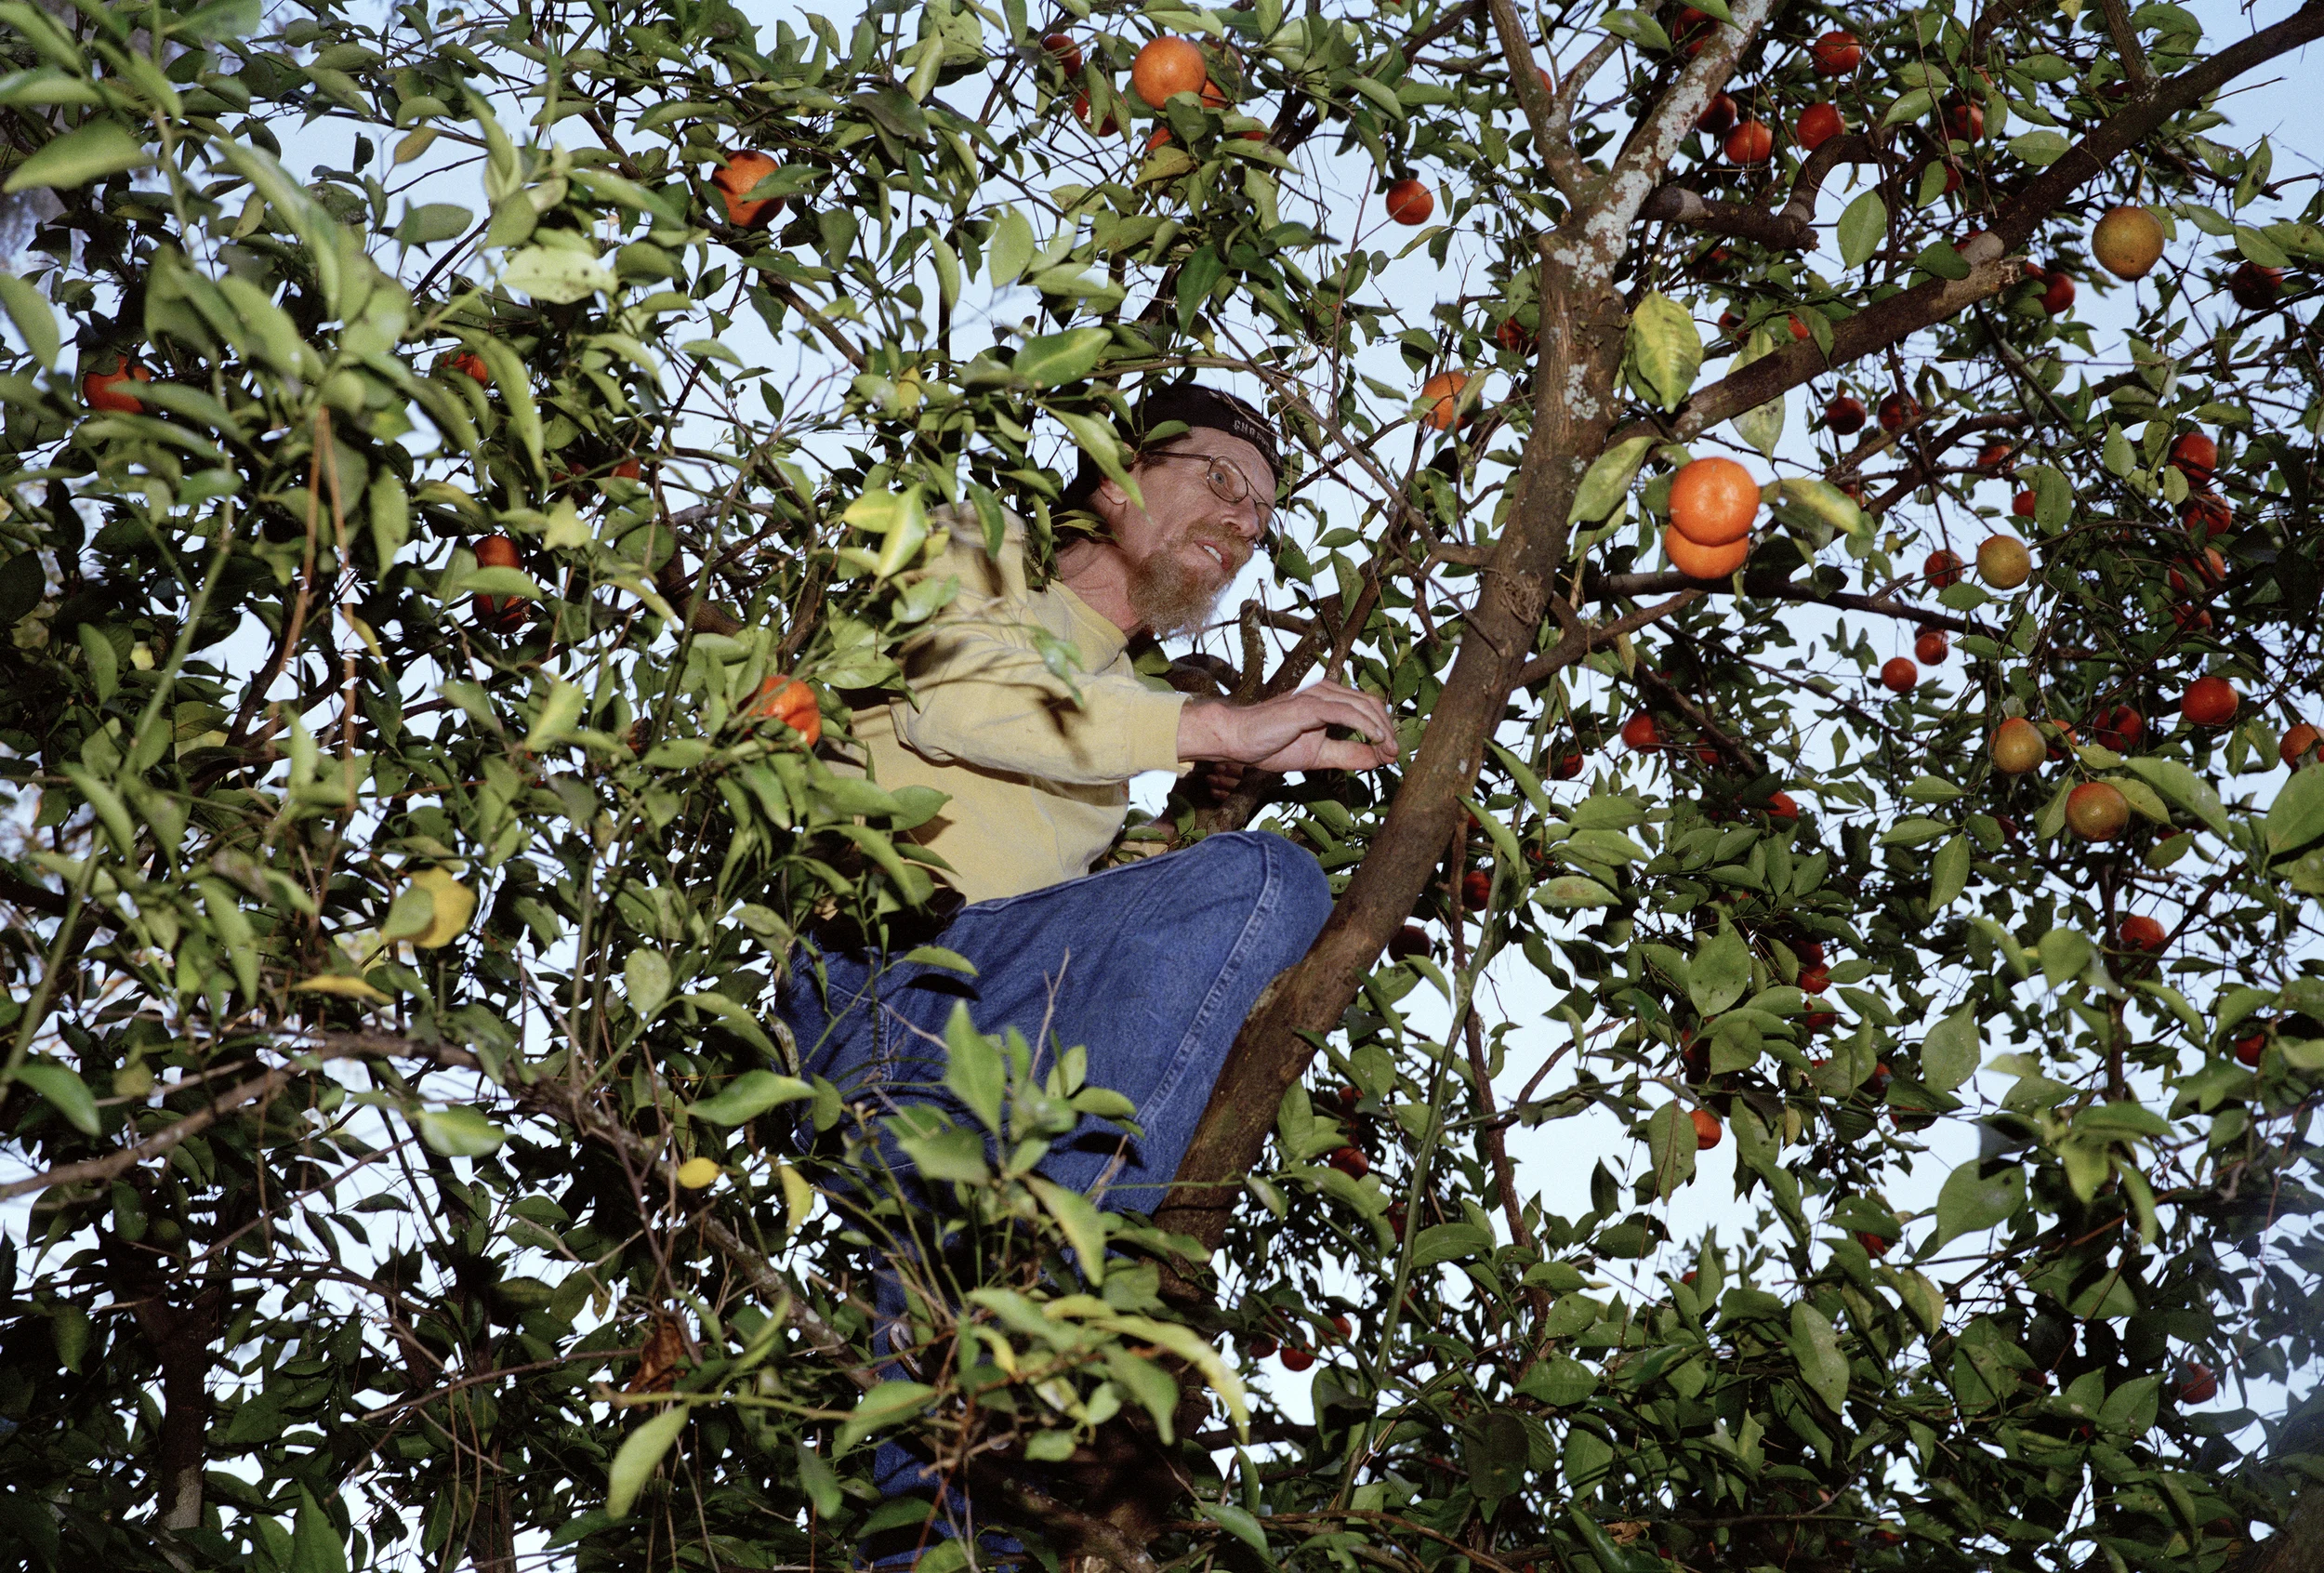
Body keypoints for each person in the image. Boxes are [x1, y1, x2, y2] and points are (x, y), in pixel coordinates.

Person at [773, 382, 1397, 1548]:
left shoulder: (1126, 712)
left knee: (957, 1435)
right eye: (1221, 480)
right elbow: (951, 701)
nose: (1244, 520)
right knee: (1270, 880)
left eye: (1262, 514)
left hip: (996, 1032)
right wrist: (1218, 728)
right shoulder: (973, 546)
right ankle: (1074, 1309)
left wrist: (1193, 807)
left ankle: (1012, 1400)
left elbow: (1107, 934)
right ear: (1114, 480)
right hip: (890, 980)